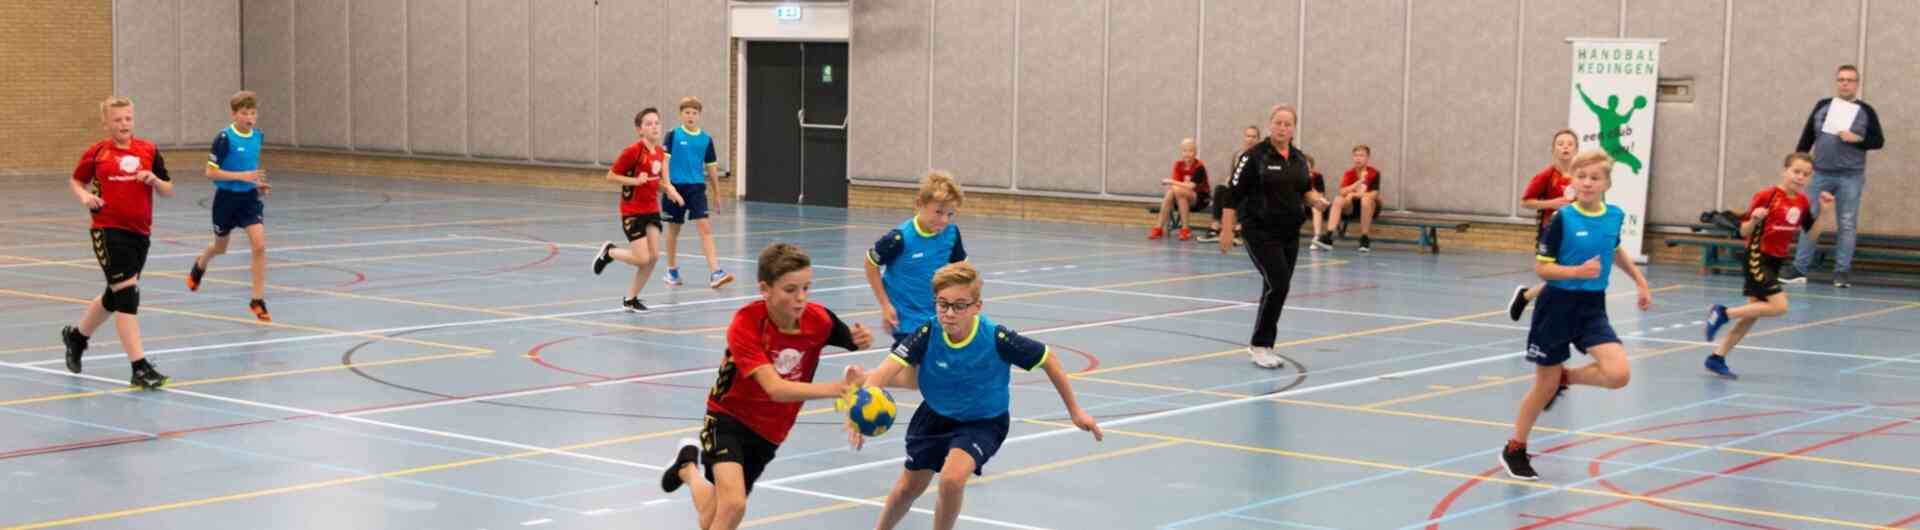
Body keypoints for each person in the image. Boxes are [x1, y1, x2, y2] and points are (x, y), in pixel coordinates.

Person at [852, 262, 1102, 530]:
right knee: (907, 489)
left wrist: (1075, 410)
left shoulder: (996, 337)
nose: (949, 313)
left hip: (983, 422)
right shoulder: (927, 332)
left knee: (951, 479)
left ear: (976, 307)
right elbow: (886, 371)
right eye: (942, 304)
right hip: (935, 416)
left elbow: (1048, 359)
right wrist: (860, 411)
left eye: (959, 305)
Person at [657, 242, 873, 530]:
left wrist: (861, 340)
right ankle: (688, 466)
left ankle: (687, 467)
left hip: (771, 432)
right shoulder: (746, 324)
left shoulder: (819, 320)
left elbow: (854, 342)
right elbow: (775, 388)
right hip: (728, 417)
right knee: (733, 505)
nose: (801, 298)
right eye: (790, 290)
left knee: (713, 512)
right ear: (765, 289)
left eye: (806, 288)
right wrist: (839, 389)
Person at [1500, 150, 1653, 481]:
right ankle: (1515, 448)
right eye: (1581, 177)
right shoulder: (1562, 220)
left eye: (1594, 178)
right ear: (1572, 180)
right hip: (1555, 306)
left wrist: (1640, 281)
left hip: (1592, 307)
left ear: (1606, 183)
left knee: (1618, 373)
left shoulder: (1614, 216)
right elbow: (1542, 267)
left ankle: (1565, 379)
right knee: (1542, 387)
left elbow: (1613, 249)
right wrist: (1575, 272)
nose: (1587, 183)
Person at [61, 96, 175, 389]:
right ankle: (139, 367)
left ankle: (77, 337)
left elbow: (168, 189)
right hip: (108, 230)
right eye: (117, 120)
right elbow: (76, 181)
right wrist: (85, 196)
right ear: (106, 123)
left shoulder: (148, 149)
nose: (123, 124)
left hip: (140, 233)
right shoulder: (98, 152)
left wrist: (154, 181)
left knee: (115, 297)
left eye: (127, 119)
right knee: (127, 296)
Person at [1219, 104, 1332, 369]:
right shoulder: (1253, 156)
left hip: (1289, 233)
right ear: (1270, 125)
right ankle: (1259, 345)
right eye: (1278, 123)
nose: (1283, 128)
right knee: (1279, 284)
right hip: (1259, 230)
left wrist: (1317, 201)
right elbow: (1231, 195)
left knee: (1274, 287)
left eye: (1288, 124)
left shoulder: (1298, 158)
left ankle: (1265, 345)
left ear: (1294, 128)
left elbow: (1305, 189)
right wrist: (1226, 231)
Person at [1704, 153, 1833, 379]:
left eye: (1806, 174)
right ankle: (1723, 312)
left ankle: (1717, 357)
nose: (1800, 177)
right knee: (1780, 306)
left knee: (1752, 314)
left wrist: (1824, 212)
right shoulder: (1768, 195)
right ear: (1785, 170)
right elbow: (1743, 231)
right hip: (1757, 256)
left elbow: (1811, 235)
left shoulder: (1802, 202)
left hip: (1776, 260)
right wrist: (1754, 219)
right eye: (1796, 171)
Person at [1784, 64, 1887, 288]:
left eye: (1850, 80)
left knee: (1847, 223)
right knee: (1809, 220)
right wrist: (1798, 164)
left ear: (1857, 84)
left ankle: (1842, 272)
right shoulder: (1822, 106)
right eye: (1841, 79)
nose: (1845, 83)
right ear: (1836, 82)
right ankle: (1799, 269)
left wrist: (1857, 139)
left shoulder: (1866, 111)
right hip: (1821, 173)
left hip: (1851, 176)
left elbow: (1878, 141)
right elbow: (1807, 136)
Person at [187, 90, 273, 322]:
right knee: (220, 248)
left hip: (248, 200)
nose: (250, 118)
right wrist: (242, 176)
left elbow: (251, 167)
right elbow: (210, 172)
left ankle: (257, 299)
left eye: (253, 113)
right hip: (225, 200)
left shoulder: (258, 136)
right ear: (234, 114)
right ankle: (201, 264)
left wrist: (257, 184)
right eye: (245, 113)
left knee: (260, 245)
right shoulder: (224, 139)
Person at [592, 107, 685, 312]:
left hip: (651, 209)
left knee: (653, 257)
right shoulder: (632, 152)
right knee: (642, 258)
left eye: (656, 123)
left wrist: (671, 191)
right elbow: (611, 176)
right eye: (648, 124)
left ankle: (631, 299)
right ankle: (610, 252)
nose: (654, 127)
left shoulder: (661, 153)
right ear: (639, 130)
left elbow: (662, 182)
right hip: (632, 210)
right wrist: (634, 180)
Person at [864, 171, 967, 345]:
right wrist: (886, 305)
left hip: (939, 316)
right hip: (907, 319)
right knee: (909, 365)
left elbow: (962, 272)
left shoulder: (952, 234)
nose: (943, 220)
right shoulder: (898, 239)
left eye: (949, 215)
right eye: (938, 212)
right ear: (920, 204)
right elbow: (870, 264)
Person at [660, 96, 735, 289]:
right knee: (673, 230)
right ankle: (671, 270)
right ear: (681, 114)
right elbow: (664, 162)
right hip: (675, 188)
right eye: (687, 112)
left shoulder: (706, 140)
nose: (690, 116)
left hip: (696, 189)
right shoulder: (673, 135)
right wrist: (668, 186)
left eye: (694, 113)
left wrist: (717, 193)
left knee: (705, 229)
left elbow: (711, 168)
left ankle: (715, 273)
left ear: (699, 116)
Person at [1507, 128, 1580, 321]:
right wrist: (1552, 204)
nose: (1565, 148)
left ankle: (1527, 296)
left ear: (1576, 149)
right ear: (1553, 149)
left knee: (1570, 277)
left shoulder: (1581, 176)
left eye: (1570, 144)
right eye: (1561, 144)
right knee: (1561, 277)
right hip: (1550, 232)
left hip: (1575, 233)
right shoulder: (1546, 176)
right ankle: (1529, 299)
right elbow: (1526, 201)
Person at [1200, 125, 1259, 244]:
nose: (1250, 139)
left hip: (1253, 191)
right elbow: (1234, 174)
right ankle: (1215, 227)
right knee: (1220, 189)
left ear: (1258, 139)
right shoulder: (1238, 155)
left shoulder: (1261, 156)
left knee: (1244, 191)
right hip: (1237, 187)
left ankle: (1240, 229)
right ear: (1244, 138)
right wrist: (1229, 180)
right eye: (1248, 136)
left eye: (1254, 136)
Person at [1321, 145, 1384, 252]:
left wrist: (1353, 195)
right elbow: (1342, 191)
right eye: (1355, 155)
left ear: (1367, 158)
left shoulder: (1374, 173)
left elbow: (1373, 194)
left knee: (1366, 200)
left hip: (1370, 207)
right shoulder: (1349, 173)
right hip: (1352, 208)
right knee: (1338, 199)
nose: (1358, 158)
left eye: (1361, 155)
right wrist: (1358, 183)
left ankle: (1364, 238)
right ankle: (1328, 236)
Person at [1149, 138, 1207, 241]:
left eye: (1190, 151)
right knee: (1174, 192)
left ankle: (1183, 229)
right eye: (1185, 151)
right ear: (1181, 152)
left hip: (1199, 199)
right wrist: (1174, 184)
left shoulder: (1199, 167)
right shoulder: (1178, 165)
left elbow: (1191, 186)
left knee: (1177, 190)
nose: (1187, 154)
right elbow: (1176, 186)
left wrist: (1171, 181)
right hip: (1181, 196)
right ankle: (1160, 228)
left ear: (1195, 152)